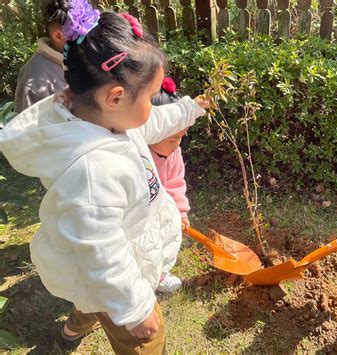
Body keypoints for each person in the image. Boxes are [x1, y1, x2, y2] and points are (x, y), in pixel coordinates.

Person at [0, 3, 208, 354]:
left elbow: (149, 123)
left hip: (102, 271)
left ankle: (70, 331)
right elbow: (103, 254)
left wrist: (189, 109)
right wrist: (137, 309)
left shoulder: (98, 118)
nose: (151, 108)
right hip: (116, 271)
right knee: (146, 340)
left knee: (92, 298)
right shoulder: (92, 172)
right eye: (149, 97)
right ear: (115, 98)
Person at [149, 77, 191, 293]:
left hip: (163, 211)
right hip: (143, 214)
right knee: (146, 247)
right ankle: (142, 280)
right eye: (173, 139)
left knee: (166, 241)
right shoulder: (139, 157)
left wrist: (181, 211)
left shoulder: (173, 153)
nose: (178, 145)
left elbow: (175, 181)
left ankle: (161, 275)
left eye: (181, 138)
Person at [14, 0, 70, 113]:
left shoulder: (80, 58)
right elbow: (27, 128)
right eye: (81, 34)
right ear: (59, 36)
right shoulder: (33, 80)